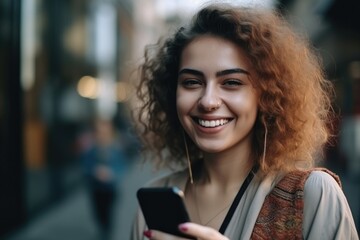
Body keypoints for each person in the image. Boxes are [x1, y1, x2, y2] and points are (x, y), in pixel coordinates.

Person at [131, 3, 359, 240]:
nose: (208, 101)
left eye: (231, 82)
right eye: (191, 82)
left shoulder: (313, 194)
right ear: (172, 93)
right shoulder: (153, 204)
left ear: (267, 95)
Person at [81, 118, 128, 240]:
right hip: (96, 188)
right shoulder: (91, 149)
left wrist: (112, 174)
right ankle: (103, 229)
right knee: (98, 211)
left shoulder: (115, 149)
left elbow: (121, 167)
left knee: (108, 211)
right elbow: (85, 166)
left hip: (110, 188)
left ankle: (106, 232)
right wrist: (94, 172)